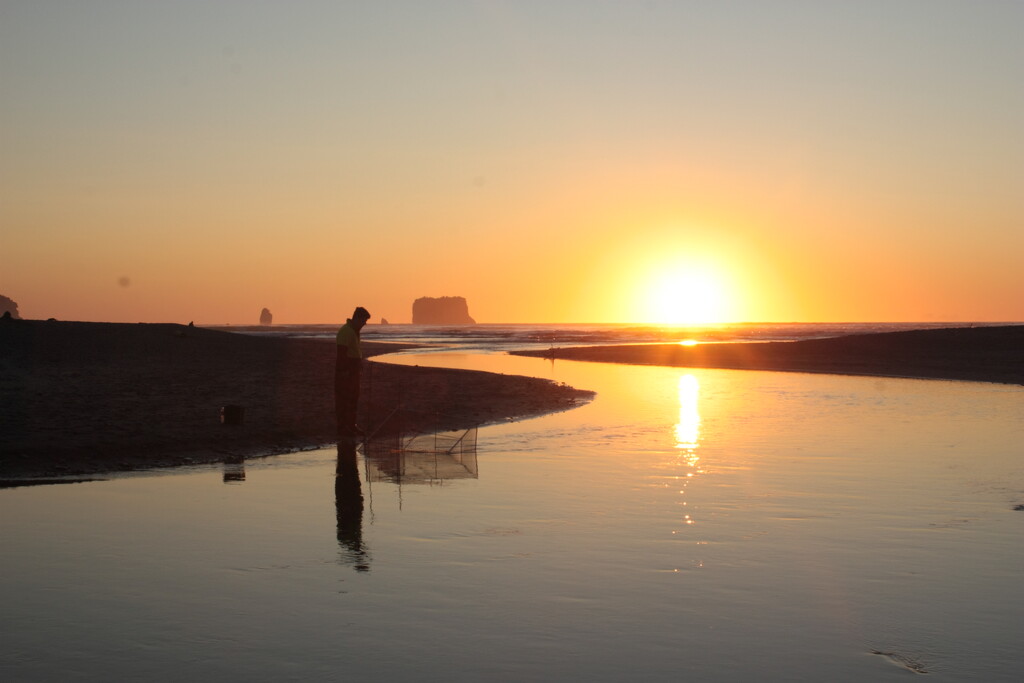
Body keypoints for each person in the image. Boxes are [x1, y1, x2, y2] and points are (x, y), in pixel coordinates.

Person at [335, 306, 371, 436]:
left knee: (353, 399)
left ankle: (351, 425)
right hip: (346, 371)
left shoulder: (354, 331)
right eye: (363, 321)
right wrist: (344, 372)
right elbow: (341, 354)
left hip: (353, 371)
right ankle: (344, 427)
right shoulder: (346, 331)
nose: (364, 324)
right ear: (357, 318)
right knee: (345, 400)